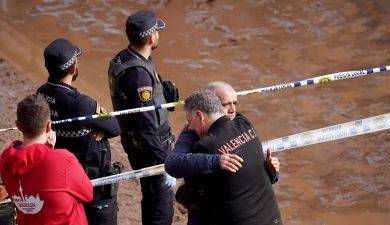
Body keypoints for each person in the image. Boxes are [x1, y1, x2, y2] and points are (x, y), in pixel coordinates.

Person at [165, 82, 280, 225]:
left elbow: (174, 166)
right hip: (271, 218)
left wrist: (187, 134)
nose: (191, 126)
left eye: (190, 121)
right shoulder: (244, 124)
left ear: (200, 115)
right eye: (227, 104)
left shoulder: (206, 147)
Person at [36, 39, 121, 225]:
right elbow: (115, 126)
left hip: (57, 175)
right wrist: (101, 128)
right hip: (88, 178)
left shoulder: (40, 94)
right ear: (73, 68)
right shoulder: (82, 104)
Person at [108, 10, 179, 225]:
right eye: (156, 31)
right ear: (150, 37)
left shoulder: (125, 57)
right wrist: (167, 162)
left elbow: (136, 104)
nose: (158, 34)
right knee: (161, 206)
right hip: (151, 149)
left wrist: (163, 95)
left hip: (139, 145)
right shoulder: (138, 75)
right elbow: (145, 124)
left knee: (152, 199)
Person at [0, 94, 93, 225]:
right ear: (49, 126)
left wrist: (48, 150)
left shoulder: (5, 159)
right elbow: (88, 194)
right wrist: (50, 151)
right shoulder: (63, 159)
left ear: (18, 126)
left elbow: (32, 164)